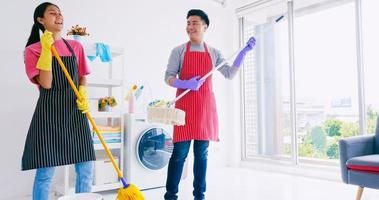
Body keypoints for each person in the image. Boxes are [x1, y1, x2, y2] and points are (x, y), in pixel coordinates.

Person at [164, 9, 256, 200]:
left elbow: (230, 74)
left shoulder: (213, 53)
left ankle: (200, 196)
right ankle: (170, 196)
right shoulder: (179, 51)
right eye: (188, 23)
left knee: (202, 155)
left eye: (195, 23)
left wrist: (243, 53)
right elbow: (169, 78)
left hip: (204, 110)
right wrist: (186, 83)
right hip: (183, 109)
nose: (190, 27)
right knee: (179, 154)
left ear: (205, 26)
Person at [21, 2, 95, 200]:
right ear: (40, 20)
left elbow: (82, 75)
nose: (59, 16)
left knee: (86, 168)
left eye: (60, 13)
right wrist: (47, 49)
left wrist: (83, 93)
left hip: (75, 111)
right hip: (49, 115)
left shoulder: (76, 47)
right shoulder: (32, 51)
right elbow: (46, 83)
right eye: (53, 13)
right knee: (46, 173)